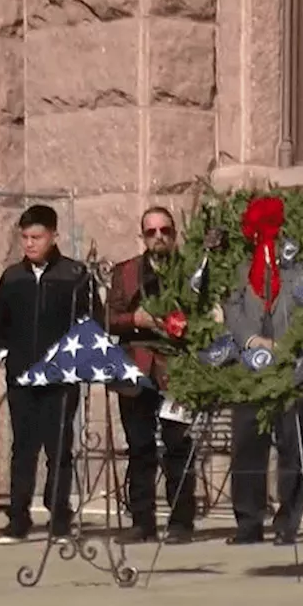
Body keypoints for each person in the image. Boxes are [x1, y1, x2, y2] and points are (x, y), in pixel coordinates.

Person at [0, 205, 103, 545]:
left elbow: (90, 321)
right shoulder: (13, 277)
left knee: (59, 449)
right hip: (22, 377)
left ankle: (60, 519)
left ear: (54, 236)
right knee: (23, 448)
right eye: (24, 237)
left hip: (60, 379)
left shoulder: (74, 275)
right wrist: (7, 354)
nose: (30, 244)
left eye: (36, 237)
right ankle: (18, 518)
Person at [223, 200, 303, 546]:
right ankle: (248, 521)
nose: (268, 240)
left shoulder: (301, 270)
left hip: (291, 370)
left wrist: (284, 344)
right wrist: (250, 339)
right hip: (250, 370)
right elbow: (232, 309)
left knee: (292, 447)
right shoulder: (242, 270)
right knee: (247, 446)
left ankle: (286, 522)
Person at [106, 206, 195, 545]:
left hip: (177, 369)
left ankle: (181, 522)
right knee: (140, 446)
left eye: (165, 231)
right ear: (142, 236)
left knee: (178, 445)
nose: (158, 237)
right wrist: (135, 321)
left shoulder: (189, 271)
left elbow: (205, 316)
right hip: (136, 368)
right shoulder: (126, 272)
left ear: (174, 234)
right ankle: (142, 521)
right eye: (151, 232)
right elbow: (108, 318)